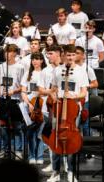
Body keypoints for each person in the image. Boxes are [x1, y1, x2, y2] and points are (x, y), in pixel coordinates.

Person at [46, 44, 88, 182]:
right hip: (59, 108)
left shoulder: (81, 71)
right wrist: (54, 97)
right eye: (68, 55)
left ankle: (70, 171)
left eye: (72, 55)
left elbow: (83, 92)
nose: (70, 58)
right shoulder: (58, 70)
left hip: (72, 109)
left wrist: (73, 96)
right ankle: (56, 171)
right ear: (63, 55)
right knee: (55, 139)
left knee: (71, 140)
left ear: (76, 56)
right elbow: (53, 89)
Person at [0, 44, 24, 159]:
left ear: (15, 53)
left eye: (9, 52)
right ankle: (6, 150)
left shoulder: (20, 67)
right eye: (5, 52)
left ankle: (18, 150)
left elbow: (23, 86)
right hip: (2, 100)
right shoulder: (1, 67)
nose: (7, 54)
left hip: (15, 100)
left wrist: (14, 91)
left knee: (17, 126)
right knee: (4, 126)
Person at [38, 45, 62, 173]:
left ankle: (64, 164)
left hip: (62, 109)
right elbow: (40, 90)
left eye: (50, 53)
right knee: (48, 136)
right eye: (47, 54)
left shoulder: (63, 69)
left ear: (58, 54)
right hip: (48, 108)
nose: (48, 56)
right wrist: (50, 92)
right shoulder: (45, 71)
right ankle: (53, 163)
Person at [21, 52, 46, 164]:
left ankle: (40, 156)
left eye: (37, 59)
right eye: (33, 59)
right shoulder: (28, 73)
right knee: (31, 132)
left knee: (40, 133)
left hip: (41, 104)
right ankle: (32, 156)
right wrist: (28, 103)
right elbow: (23, 91)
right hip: (29, 104)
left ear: (42, 60)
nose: (35, 61)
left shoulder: (45, 73)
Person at [75, 46, 98, 136]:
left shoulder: (87, 68)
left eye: (77, 53)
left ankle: (88, 144)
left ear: (83, 55)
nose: (75, 55)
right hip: (73, 98)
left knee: (85, 123)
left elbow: (95, 83)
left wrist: (85, 86)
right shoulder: (70, 67)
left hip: (84, 99)